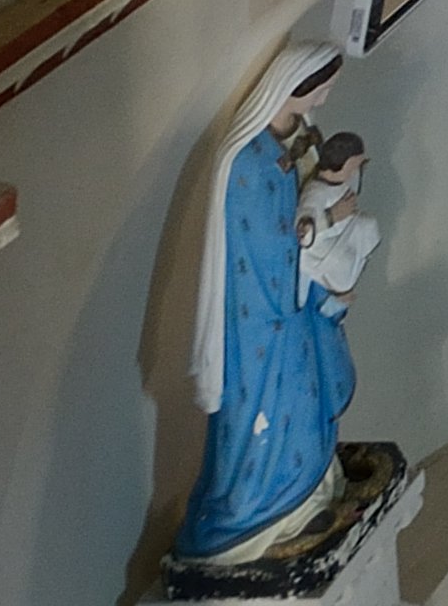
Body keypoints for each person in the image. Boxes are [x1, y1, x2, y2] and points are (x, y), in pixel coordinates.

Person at [176, 47, 353, 563]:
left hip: (285, 309)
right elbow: (270, 248)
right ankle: (252, 510)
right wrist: (328, 229)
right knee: (264, 411)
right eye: (322, 86)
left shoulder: (279, 145)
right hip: (260, 316)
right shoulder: (249, 164)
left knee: (302, 398)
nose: (327, 95)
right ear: (296, 86)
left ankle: (300, 499)